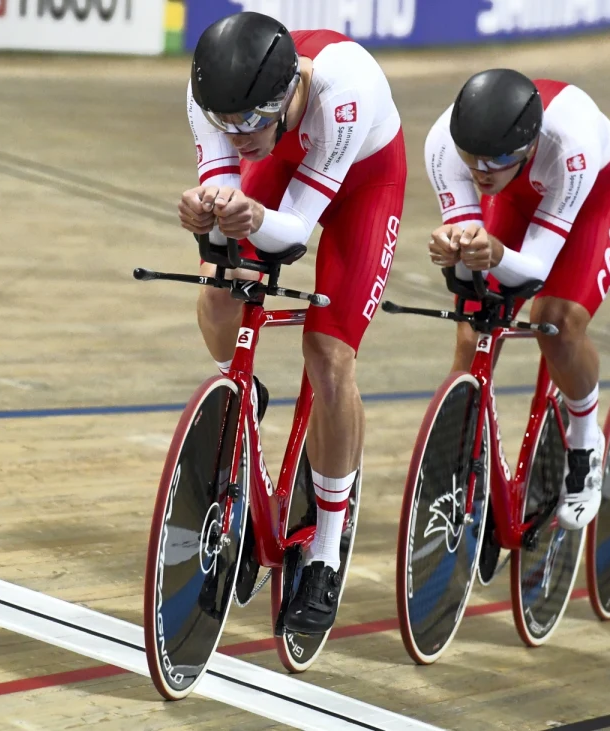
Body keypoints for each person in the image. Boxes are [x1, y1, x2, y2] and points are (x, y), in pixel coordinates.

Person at [178, 11, 406, 634]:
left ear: (285, 97)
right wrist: (207, 206)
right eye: (226, 124)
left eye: (249, 123)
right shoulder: (219, 97)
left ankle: (327, 549)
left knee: (330, 359)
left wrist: (247, 214)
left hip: (364, 182)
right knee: (220, 285)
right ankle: (240, 386)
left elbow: (296, 232)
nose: (236, 134)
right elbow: (226, 199)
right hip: (287, 162)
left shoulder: (343, 94)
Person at [424, 69, 610, 531]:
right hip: (519, 195)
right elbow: (468, 259)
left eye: (495, 159)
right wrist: (452, 252)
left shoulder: (570, 146)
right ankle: (462, 454)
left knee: (556, 322)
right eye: (472, 159)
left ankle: (584, 442)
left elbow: (535, 270)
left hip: (596, 196)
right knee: (474, 322)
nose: (480, 171)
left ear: (529, 146)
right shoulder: (444, 145)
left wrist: (494, 252)